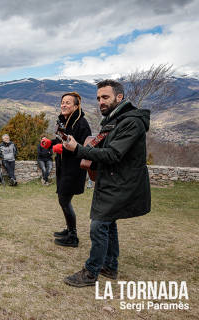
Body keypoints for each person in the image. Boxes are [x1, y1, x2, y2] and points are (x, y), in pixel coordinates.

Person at [62, 79, 151, 287]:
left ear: (119, 97)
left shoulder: (131, 122)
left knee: (99, 225)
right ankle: (109, 266)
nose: (101, 102)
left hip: (122, 183)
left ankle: (91, 272)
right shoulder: (115, 119)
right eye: (98, 98)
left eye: (105, 97)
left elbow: (113, 154)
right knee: (108, 224)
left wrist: (78, 149)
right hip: (111, 181)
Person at [48, 92, 91, 248]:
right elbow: (61, 140)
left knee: (64, 200)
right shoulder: (65, 122)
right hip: (64, 168)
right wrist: (50, 142)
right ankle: (69, 230)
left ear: (76, 106)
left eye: (67, 103)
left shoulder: (82, 124)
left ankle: (73, 236)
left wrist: (63, 150)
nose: (63, 105)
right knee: (63, 200)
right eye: (62, 102)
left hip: (74, 170)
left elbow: (85, 148)